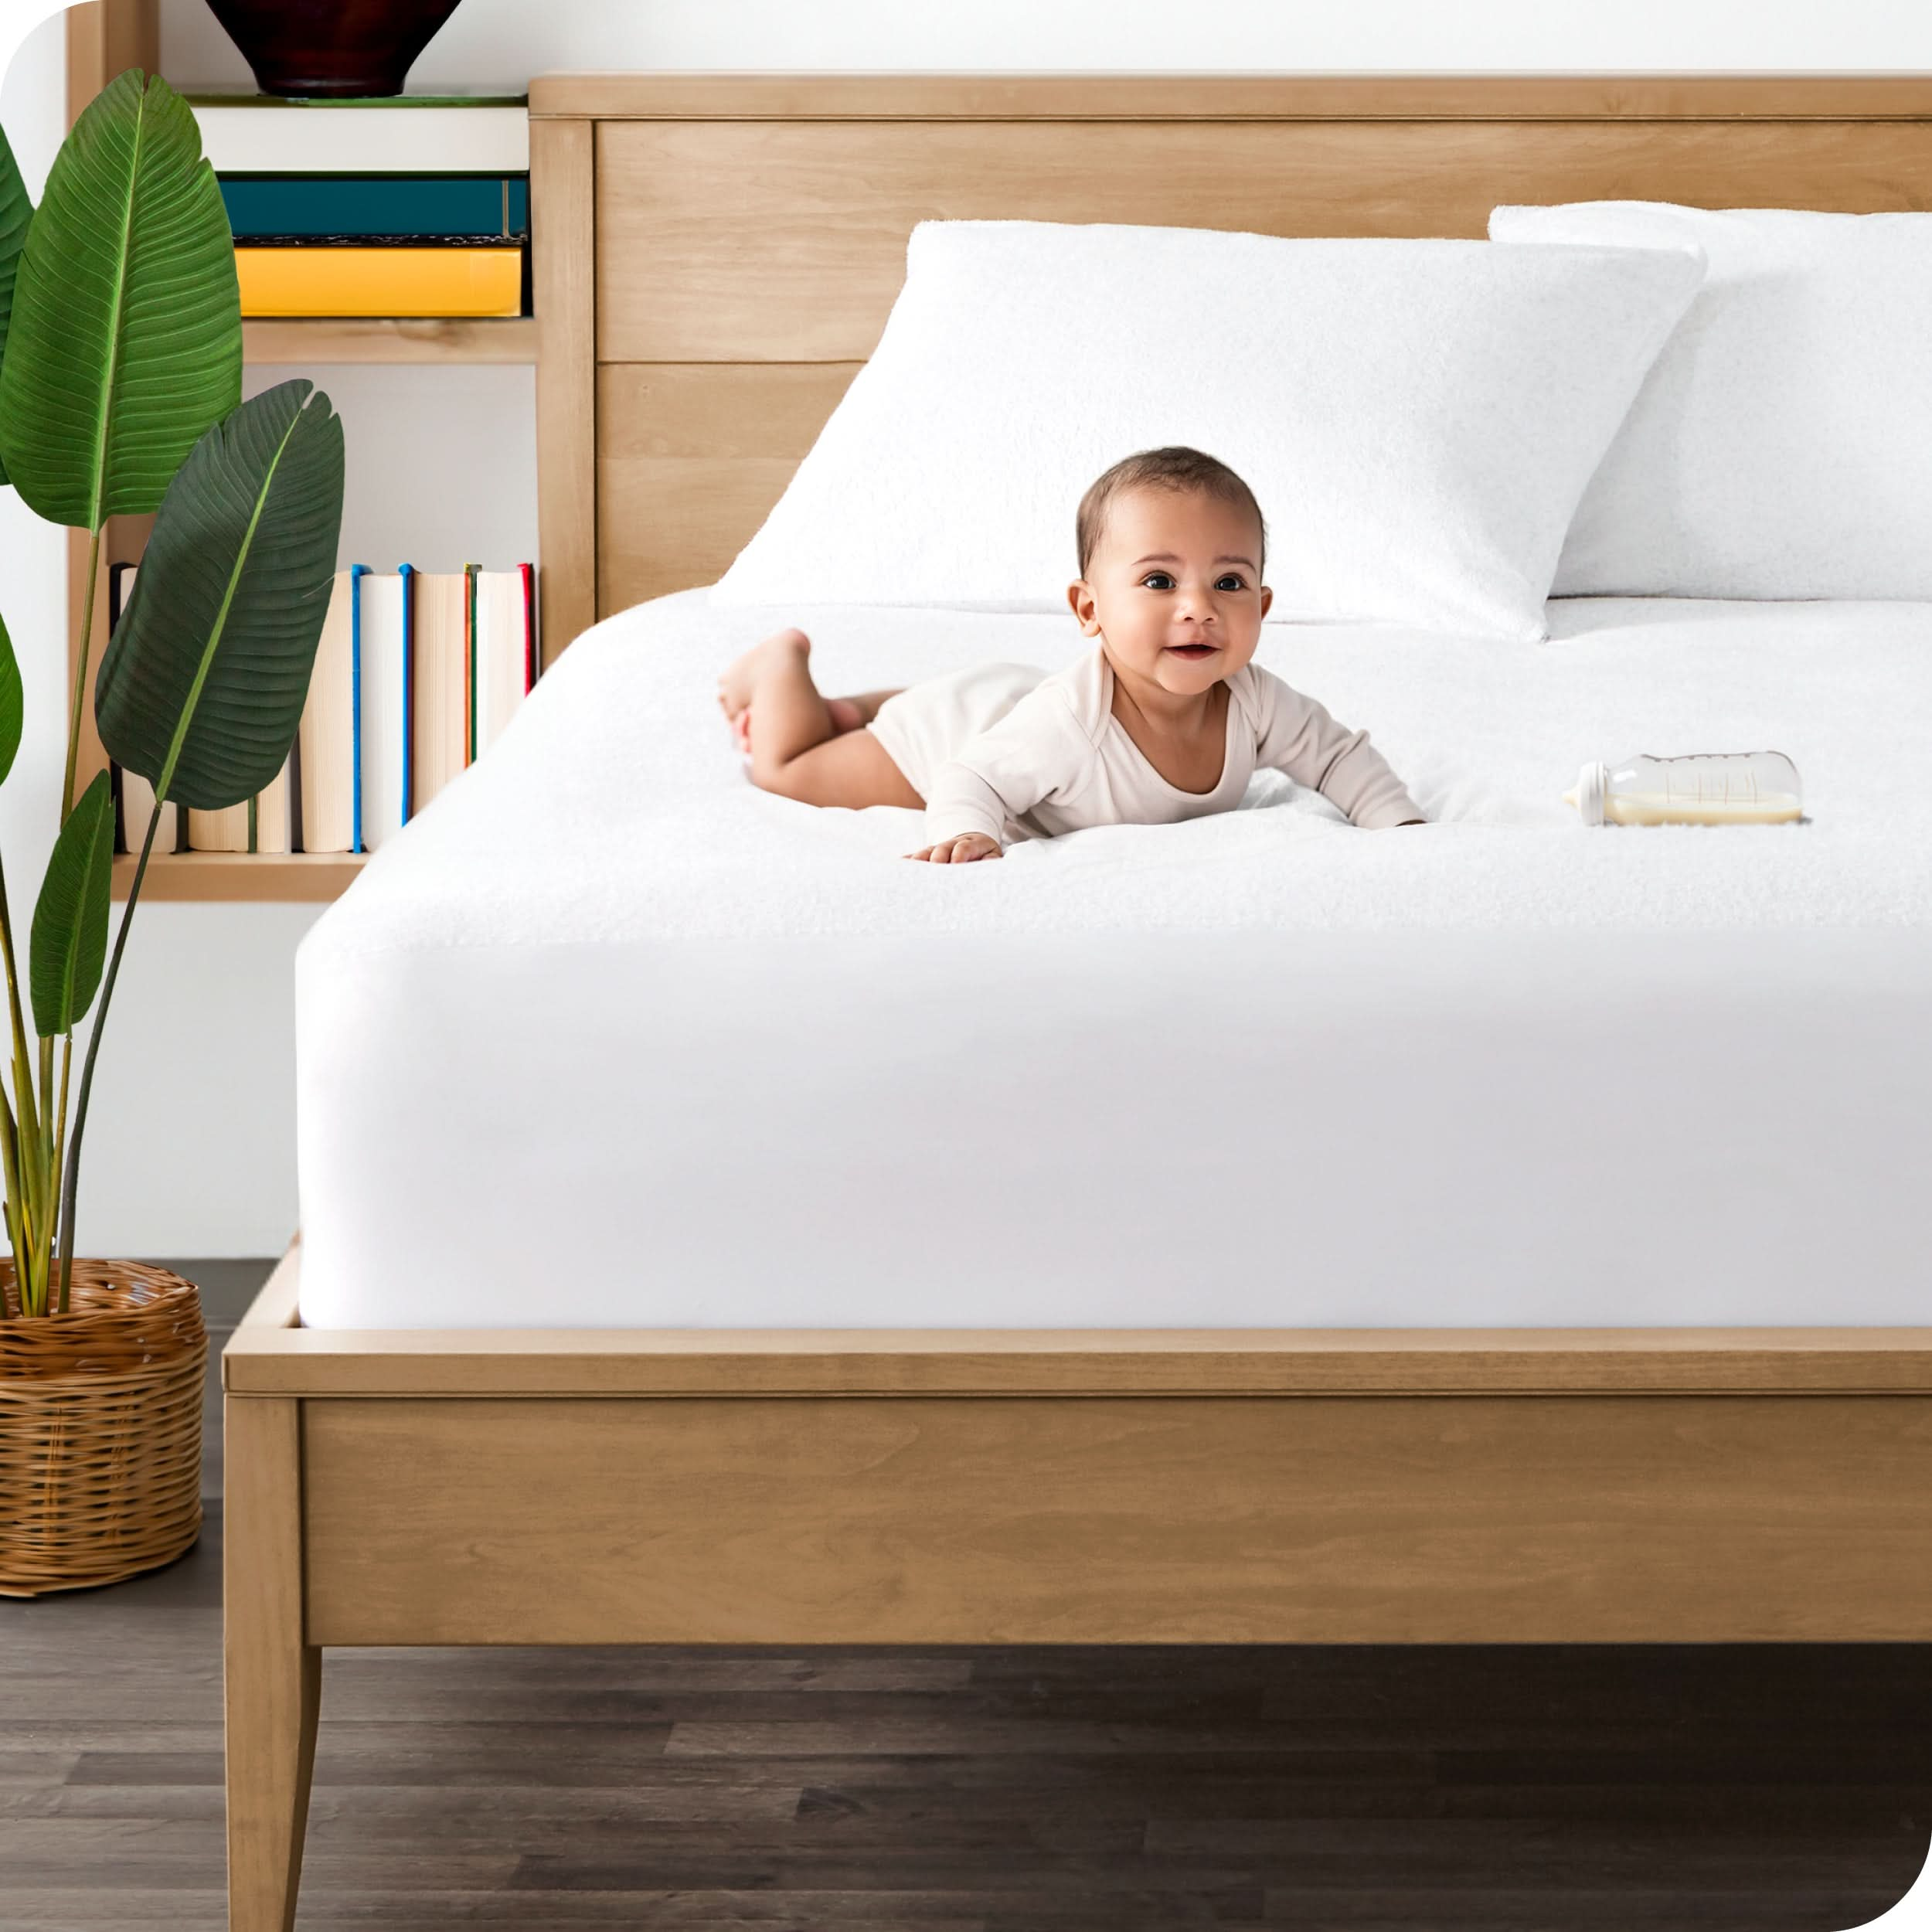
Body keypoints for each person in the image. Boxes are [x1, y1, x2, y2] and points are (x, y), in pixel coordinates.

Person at [716, 446, 1425, 862]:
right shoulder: (1067, 727)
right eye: (1158, 580)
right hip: (957, 732)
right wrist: (968, 832)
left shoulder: (1257, 700)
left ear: (1262, 609)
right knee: (792, 768)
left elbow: (1337, 756)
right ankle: (781, 665)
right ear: (1090, 610)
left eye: (1229, 582)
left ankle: (863, 704)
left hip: (1010, 699)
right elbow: (973, 778)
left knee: (953, 704)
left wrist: (1402, 828)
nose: (1198, 607)